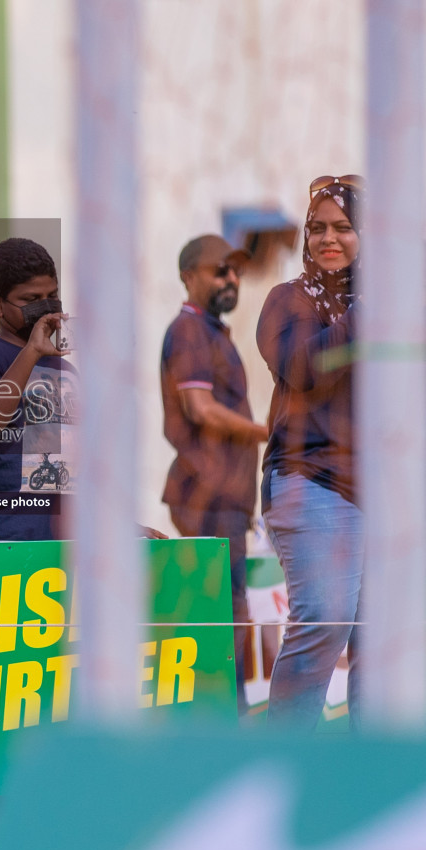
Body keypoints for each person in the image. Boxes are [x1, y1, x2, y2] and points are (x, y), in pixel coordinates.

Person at [256, 176, 426, 731]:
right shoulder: (290, 300)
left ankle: (368, 779)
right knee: (324, 620)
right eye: (318, 227)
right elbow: (303, 368)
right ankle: (284, 762)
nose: (330, 239)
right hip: (315, 477)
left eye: (344, 228)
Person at [160, 234, 267, 710]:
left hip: (227, 498)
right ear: (188, 275)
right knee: (219, 612)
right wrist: (266, 431)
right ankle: (226, 716)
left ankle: (231, 711)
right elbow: (199, 409)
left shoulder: (212, 331)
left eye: (237, 271)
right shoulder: (188, 330)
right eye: (219, 269)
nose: (231, 278)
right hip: (204, 494)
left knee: (230, 608)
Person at [0, 238, 74, 542]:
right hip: (10, 531)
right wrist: (32, 352)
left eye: (53, 296)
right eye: (31, 299)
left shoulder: (64, 368)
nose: (46, 307)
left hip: (64, 533)